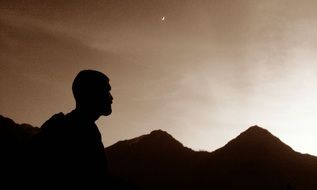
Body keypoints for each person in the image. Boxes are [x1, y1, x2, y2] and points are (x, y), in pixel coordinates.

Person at [28, 70, 113, 188]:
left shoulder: (82, 127)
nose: (111, 97)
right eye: (107, 91)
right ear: (92, 94)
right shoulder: (76, 130)